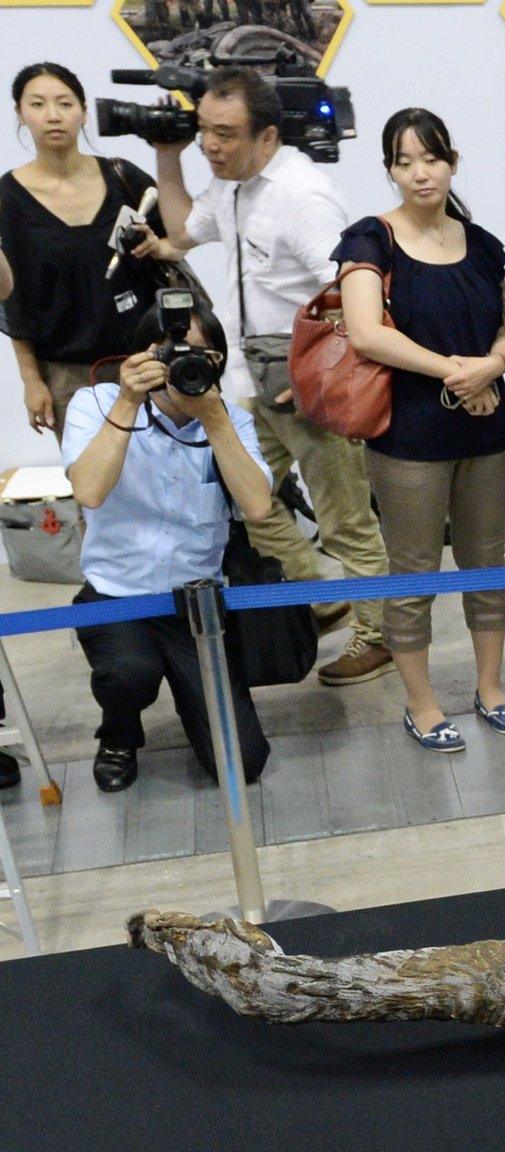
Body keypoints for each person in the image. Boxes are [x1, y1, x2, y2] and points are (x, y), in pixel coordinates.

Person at [139, 66, 395, 688]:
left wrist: (323, 376)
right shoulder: (231, 184)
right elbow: (183, 232)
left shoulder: (300, 195)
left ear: (269, 136)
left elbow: (355, 289)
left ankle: (379, 636)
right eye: (204, 131)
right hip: (250, 382)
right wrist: (167, 158)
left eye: (225, 134)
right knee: (247, 505)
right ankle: (318, 597)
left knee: (346, 520)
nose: (212, 146)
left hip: (303, 375)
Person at [338, 108, 505, 754]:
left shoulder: (482, 242)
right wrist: (457, 374)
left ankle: (492, 690)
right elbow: (366, 333)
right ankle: (421, 704)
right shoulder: (370, 240)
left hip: (486, 429)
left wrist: (491, 367)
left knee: (487, 565)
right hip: (409, 435)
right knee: (414, 572)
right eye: (404, 161)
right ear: (389, 168)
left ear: (452, 163)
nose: (420, 173)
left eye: (431, 159)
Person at [62, 299, 273, 792]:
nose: (185, 363)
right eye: (173, 352)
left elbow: (258, 507)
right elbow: (89, 491)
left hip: (195, 602)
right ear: (141, 356)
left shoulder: (231, 422)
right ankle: (118, 732)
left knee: (242, 763)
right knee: (129, 671)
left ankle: (198, 702)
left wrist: (215, 419)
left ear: (219, 362)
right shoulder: (95, 404)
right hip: (116, 592)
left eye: (201, 353)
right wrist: (128, 402)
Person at [1, 63, 170, 437]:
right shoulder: (7, 198)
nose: (53, 116)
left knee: (170, 482)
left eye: (64, 103)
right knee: (94, 489)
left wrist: (159, 245)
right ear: (20, 113)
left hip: (148, 363)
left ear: (83, 111)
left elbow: (175, 246)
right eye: (38, 104)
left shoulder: (124, 177)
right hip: (66, 375)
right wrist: (32, 381)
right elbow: (13, 302)